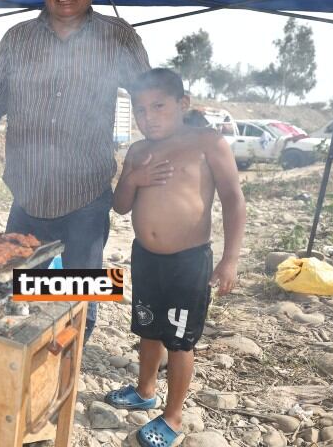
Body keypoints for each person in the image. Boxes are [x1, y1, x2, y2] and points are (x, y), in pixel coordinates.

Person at [0, 0, 150, 339]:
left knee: (79, 301)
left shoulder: (119, 36)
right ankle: (25, 359)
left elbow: (150, 100)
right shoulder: (18, 38)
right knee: (19, 296)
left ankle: (68, 363)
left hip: (87, 198)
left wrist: (172, 151)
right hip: (26, 197)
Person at [103, 68, 246, 447]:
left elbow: (233, 199)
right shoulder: (138, 151)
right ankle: (145, 390)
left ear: (183, 103)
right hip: (145, 257)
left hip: (188, 262)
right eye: (140, 109)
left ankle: (173, 416)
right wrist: (133, 179)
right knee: (148, 328)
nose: (148, 117)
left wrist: (230, 259)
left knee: (180, 341)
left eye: (158, 106)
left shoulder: (207, 143)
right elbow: (120, 206)